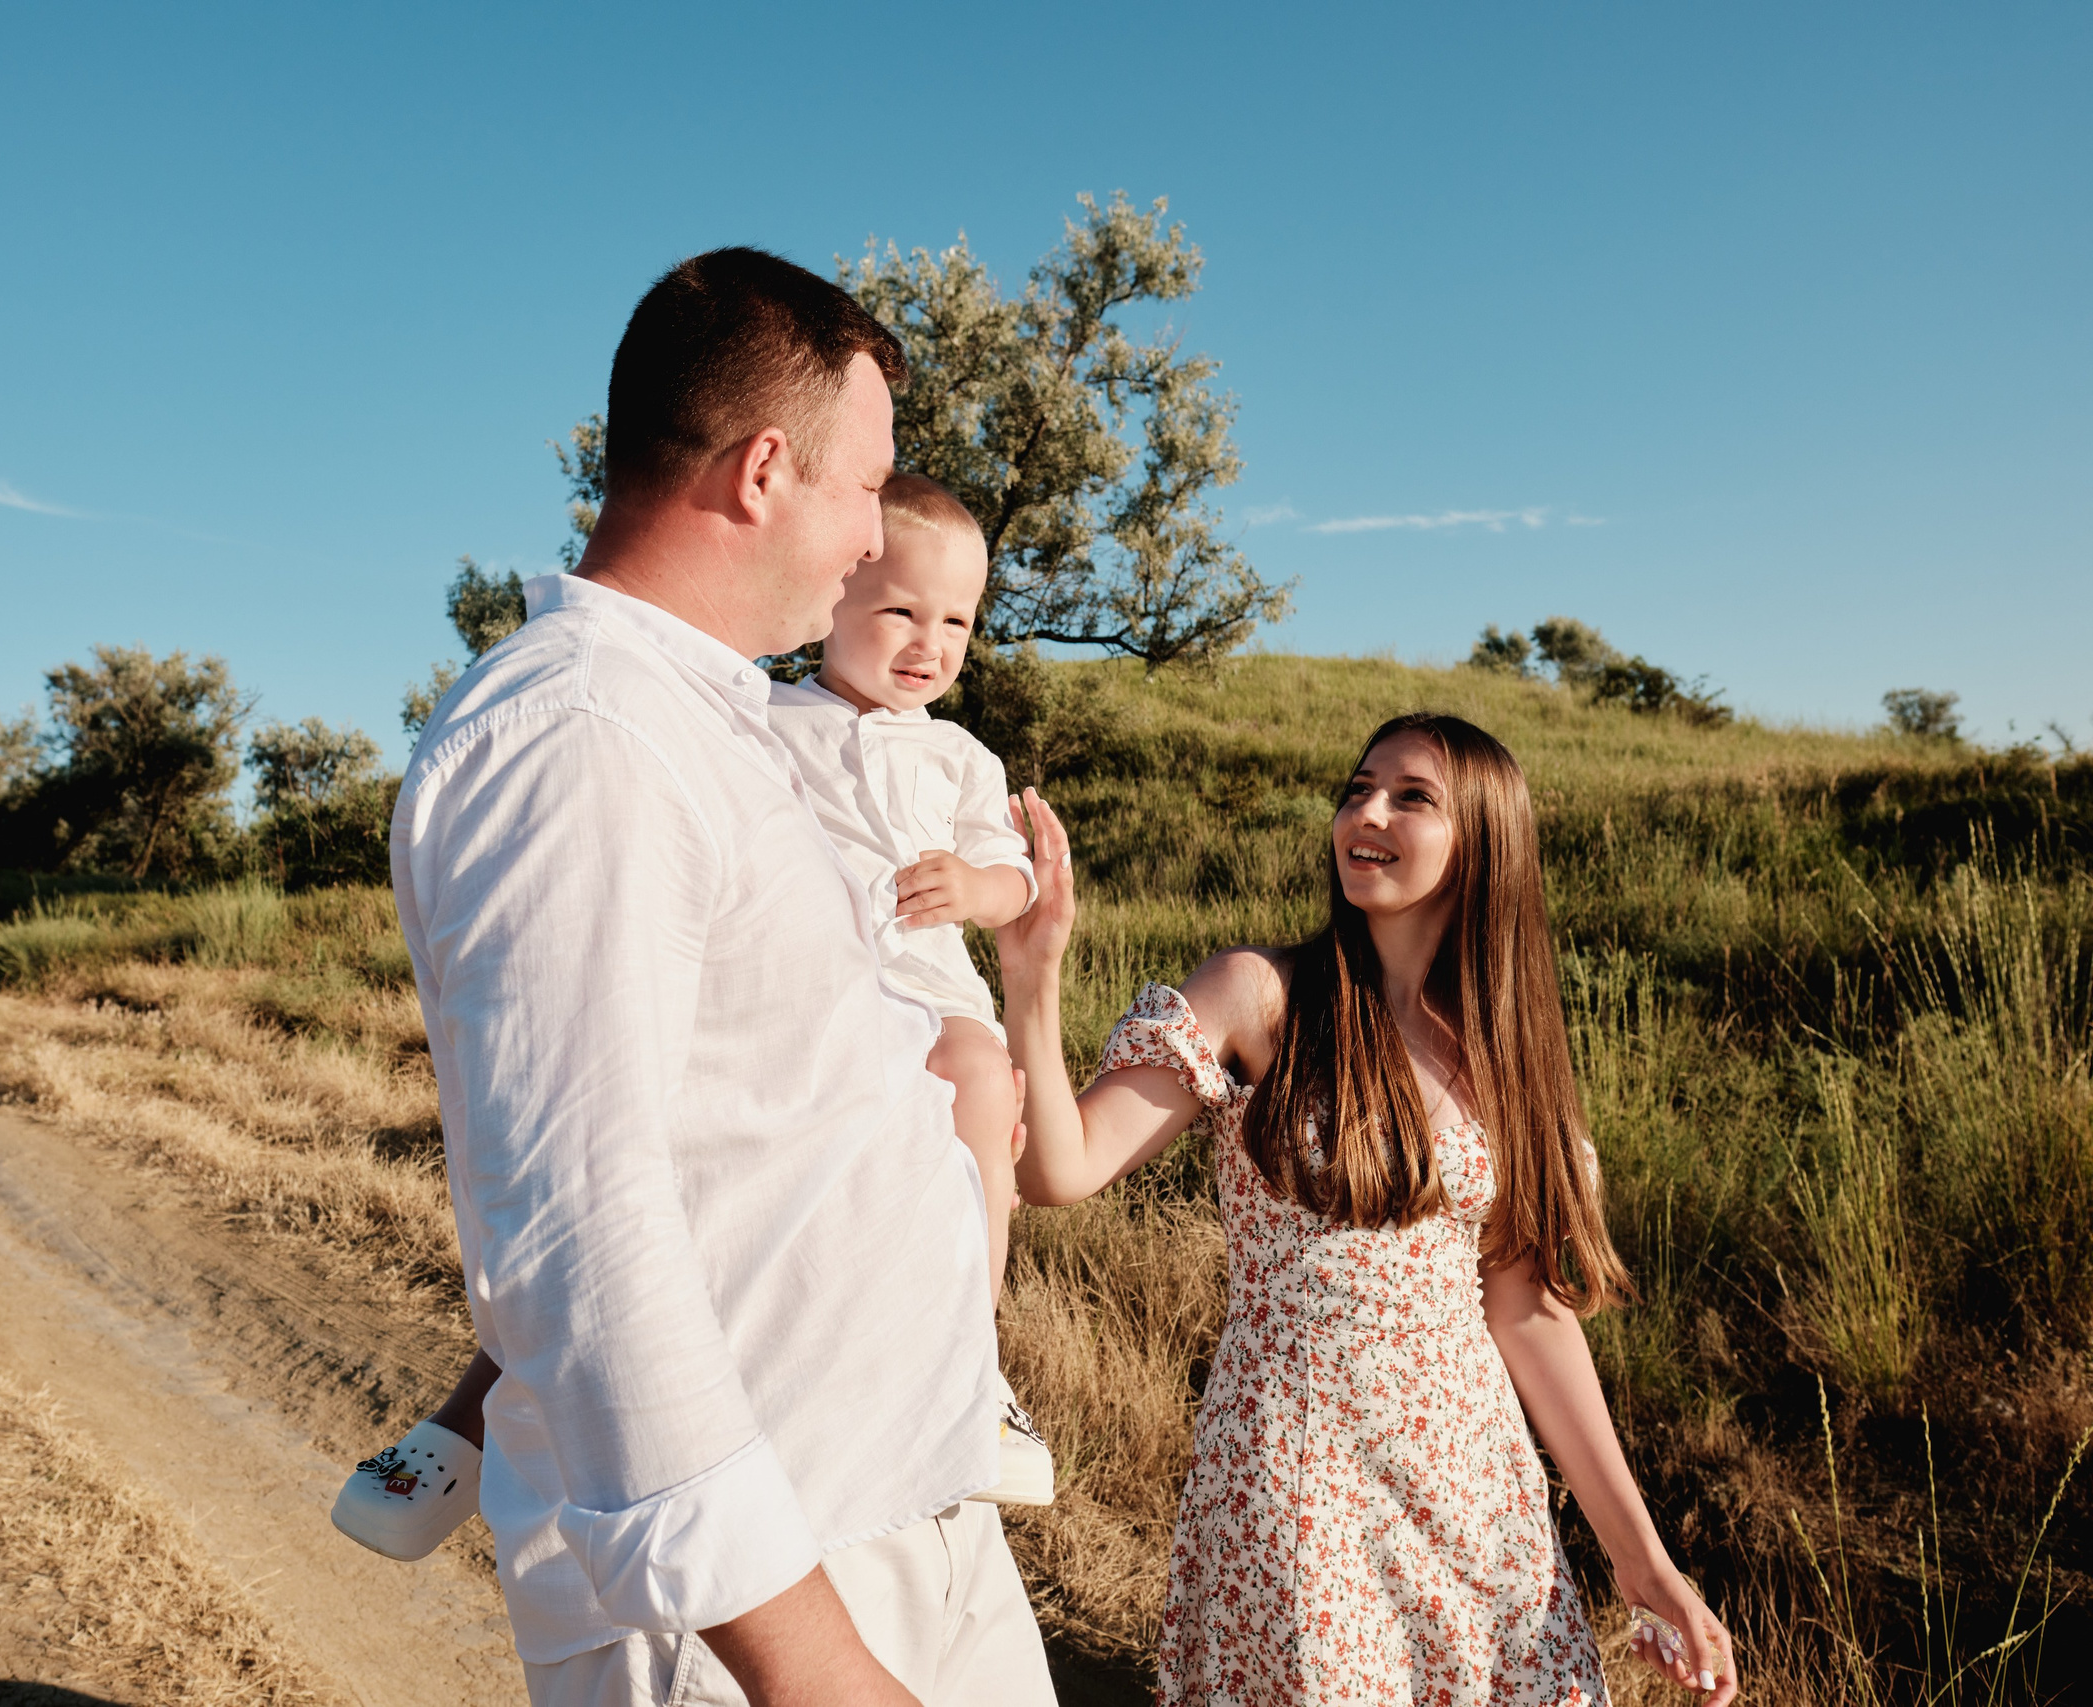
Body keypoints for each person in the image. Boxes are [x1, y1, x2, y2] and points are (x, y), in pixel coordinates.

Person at [357, 247, 1057, 1707]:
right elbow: (578, 1230)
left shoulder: (712, 720)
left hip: (901, 1497)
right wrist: (814, 1669)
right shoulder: (583, 738)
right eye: (866, 486)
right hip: (759, 1593)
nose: (876, 537)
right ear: (761, 473)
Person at [998, 714, 1738, 1706]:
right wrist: (1032, 973)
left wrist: (1642, 1562)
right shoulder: (1259, 994)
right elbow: (1061, 1167)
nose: (1365, 813)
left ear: (1484, 837)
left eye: (1410, 797)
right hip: (1301, 1478)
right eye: (1356, 790)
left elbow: (1527, 1311)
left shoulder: (1504, 1051)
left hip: (1474, 1481)